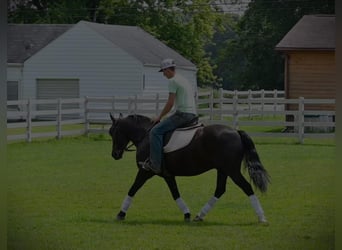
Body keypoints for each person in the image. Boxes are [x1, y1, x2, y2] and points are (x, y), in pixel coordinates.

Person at [141, 58, 198, 174]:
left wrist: (159, 117)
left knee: (155, 131)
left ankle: (155, 165)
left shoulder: (173, 81)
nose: (163, 74)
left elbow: (170, 103)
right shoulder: (183, 79)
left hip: (183, 114)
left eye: (163, 71)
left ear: (168, 69)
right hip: (192, 113)